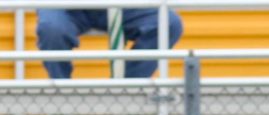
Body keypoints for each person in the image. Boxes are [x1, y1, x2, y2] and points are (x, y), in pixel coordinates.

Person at [36, 9, 183, 79]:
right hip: (66, 7)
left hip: (122, 6)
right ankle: (62, 91)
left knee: (169, 23)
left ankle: (128, 88)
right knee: (52, 29)